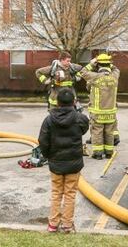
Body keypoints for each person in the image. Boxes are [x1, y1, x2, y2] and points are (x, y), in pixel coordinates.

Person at [38, 89, 89, 234]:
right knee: (70, 194)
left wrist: (48, 156)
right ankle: (67, 225)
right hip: (74, 163)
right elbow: (84, 130)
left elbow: (43, 140)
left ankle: (53, 224)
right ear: (73, 102)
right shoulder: (80, 118)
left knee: (56, 193)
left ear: (57, 102)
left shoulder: (48, 119)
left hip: (56, 163)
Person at [77, 53, 119, 160]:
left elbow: (82, 72)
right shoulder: (115, 76)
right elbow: (116, 69)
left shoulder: (95, 77)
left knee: (97, 132)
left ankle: (98, 154)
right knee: (109, 132)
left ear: (98, 65)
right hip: (110, 112)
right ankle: (109, 153)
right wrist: (109, 63)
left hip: (98, 112)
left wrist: (91, 63)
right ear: (109, 65)